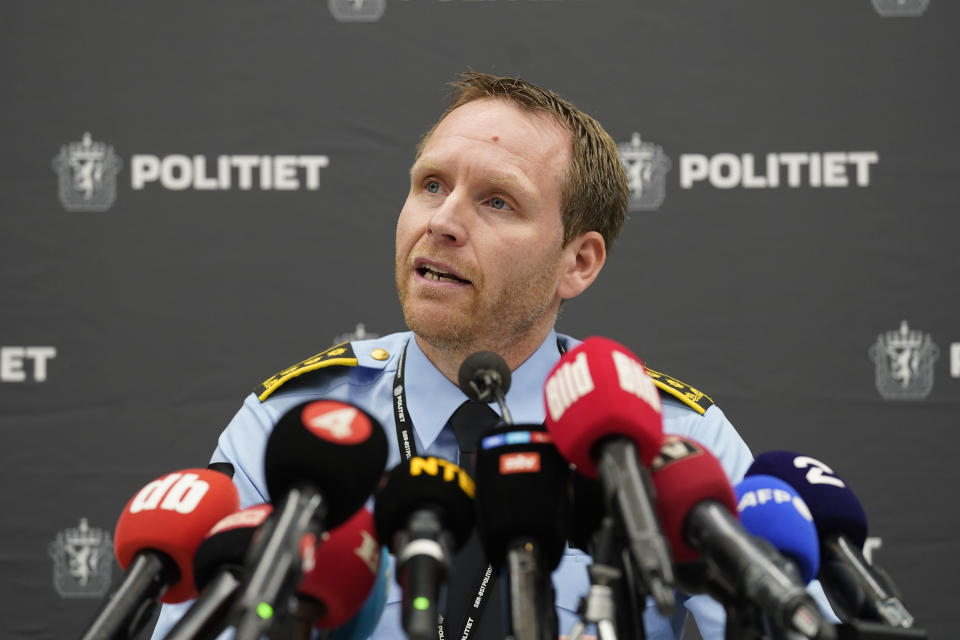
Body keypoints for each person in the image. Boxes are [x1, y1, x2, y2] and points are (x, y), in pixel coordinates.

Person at [152, 71, 830, 639]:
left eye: (497, 202)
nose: (440, 222)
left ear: (579, 262)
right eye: (430, 184)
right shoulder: (294, 425)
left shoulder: (674, 437)